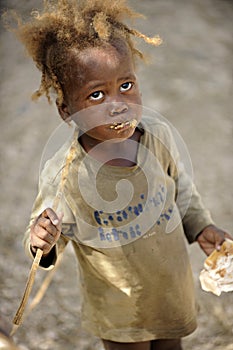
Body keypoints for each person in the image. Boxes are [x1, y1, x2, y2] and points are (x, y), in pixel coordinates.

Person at [6, 1, 232, 349]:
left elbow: (181, 188)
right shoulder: (65, 174)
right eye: (96, 94)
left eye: (126, 85)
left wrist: (201, 226)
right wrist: (41, 240)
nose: (118, 103)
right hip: (119, 310)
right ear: (67, 110)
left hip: (171, 291)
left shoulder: (158, 135)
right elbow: (45, 237)